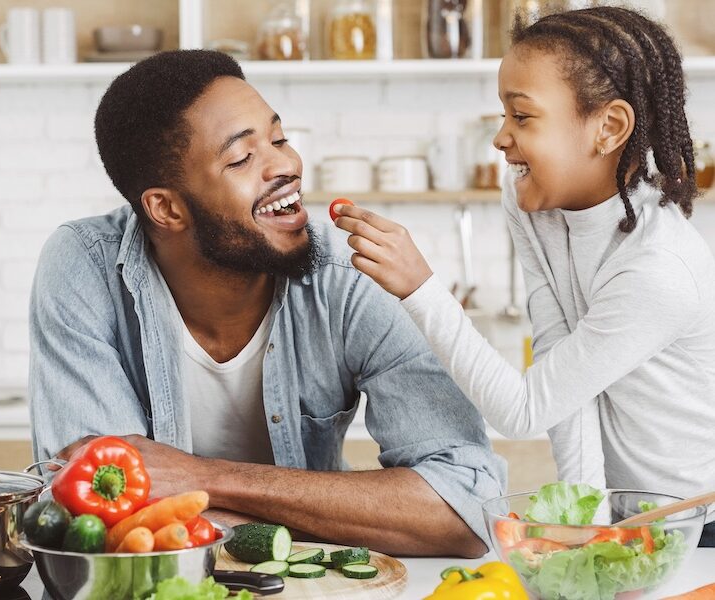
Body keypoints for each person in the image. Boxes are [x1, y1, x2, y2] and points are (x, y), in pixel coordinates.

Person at [28, 49, 506, 557]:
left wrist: (201, 478)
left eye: (278, 138)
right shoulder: (85, 266)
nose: (286, 164)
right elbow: (99, 516)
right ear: (166, 208)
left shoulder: (353, 275)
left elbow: (467, 510)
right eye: (241, 158)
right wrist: (341, 516)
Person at [335, 6, 715, 547]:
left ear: (607, 128)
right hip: (620, 523)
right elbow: (565, 381)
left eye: (523, 116)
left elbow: (523, 409)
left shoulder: (658, 269)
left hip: (691, 529)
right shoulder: (533, 202)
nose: (501, 138)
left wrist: (420, 288)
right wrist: (588, 524)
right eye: (503, 114)